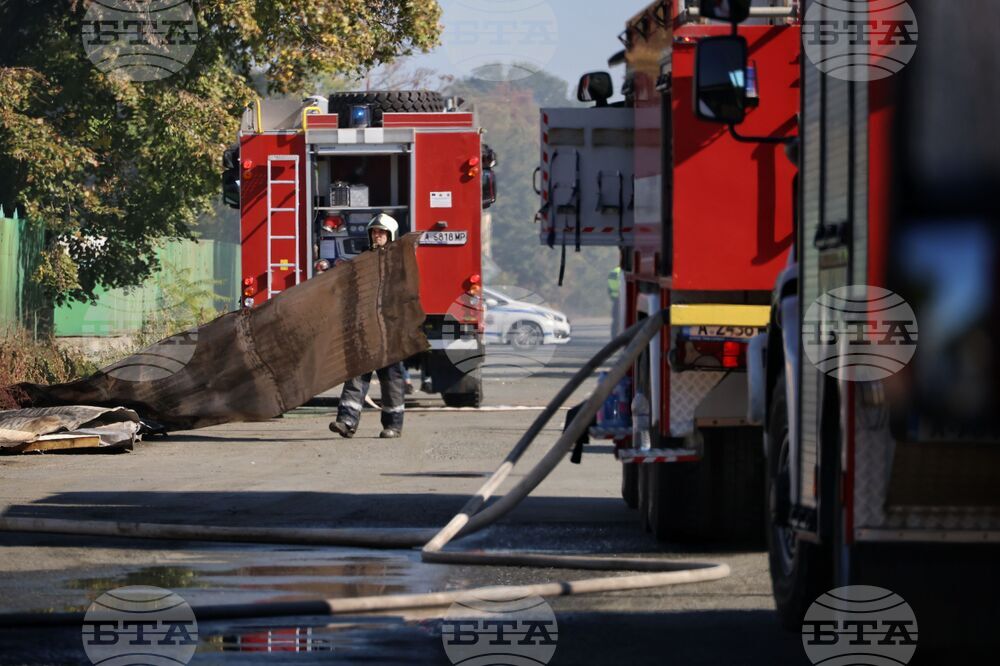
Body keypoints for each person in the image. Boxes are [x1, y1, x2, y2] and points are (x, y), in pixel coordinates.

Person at [329, 213, 407, 439]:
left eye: (382, 232)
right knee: (356, 374)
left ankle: (393, 424)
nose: (377, 235)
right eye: (374, 232)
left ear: (391, 235)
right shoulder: (362, 261)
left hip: (389, 330)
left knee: (391, 378)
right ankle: (346, 421)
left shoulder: (399, 263)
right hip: (364, 328)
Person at [607, 266, 622, 337]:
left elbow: (609, 288)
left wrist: (612, 297)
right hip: (623, 297)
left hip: (615, 299)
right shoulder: (623, 272)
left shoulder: (613, 272)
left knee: (616, 320)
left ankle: (614, 337)